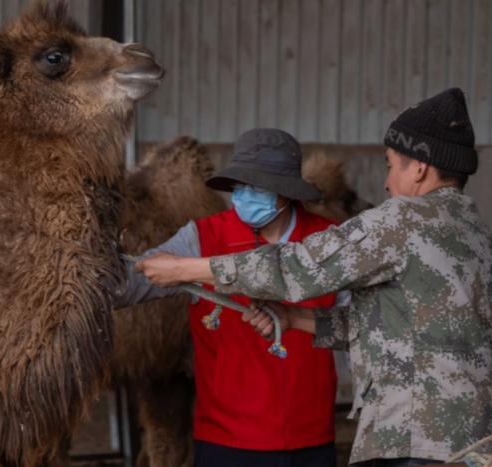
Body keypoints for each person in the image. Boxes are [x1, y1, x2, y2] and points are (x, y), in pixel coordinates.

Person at [136, 88, 492, 466]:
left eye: (390, 165)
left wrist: (185, 268)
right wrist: (294, 318)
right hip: (479, 435)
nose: (385, 183)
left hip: (416, 440)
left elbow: (294, 268)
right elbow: (389, 327)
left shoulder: (401, 221)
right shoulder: (474, 230)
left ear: (420, 168)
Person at [119, 128, 344, 467]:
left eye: (257, 187)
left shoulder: (328, 243)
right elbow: (131, 282)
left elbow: (360, 326)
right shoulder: (201, 237)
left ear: (287, 191)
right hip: (226, 442)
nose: (245, 196)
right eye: (241, 186)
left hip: (310, 439)